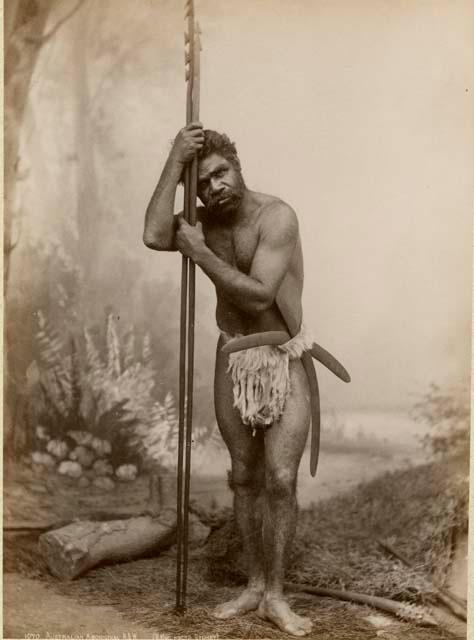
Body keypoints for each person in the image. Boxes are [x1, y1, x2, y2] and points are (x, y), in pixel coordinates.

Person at [143, 122, 314, 636]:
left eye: (220, 174)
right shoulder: (203, 221)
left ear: (237, 166)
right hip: (230, 354)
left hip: (281, 354)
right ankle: (255, 586)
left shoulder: (276, 216)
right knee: (243, 474)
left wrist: (198, 253)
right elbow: (153, 234)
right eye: (201, 184)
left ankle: (278, 597)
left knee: (280, 479)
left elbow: (260, 296)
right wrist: (176, 161)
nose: (213, 188)